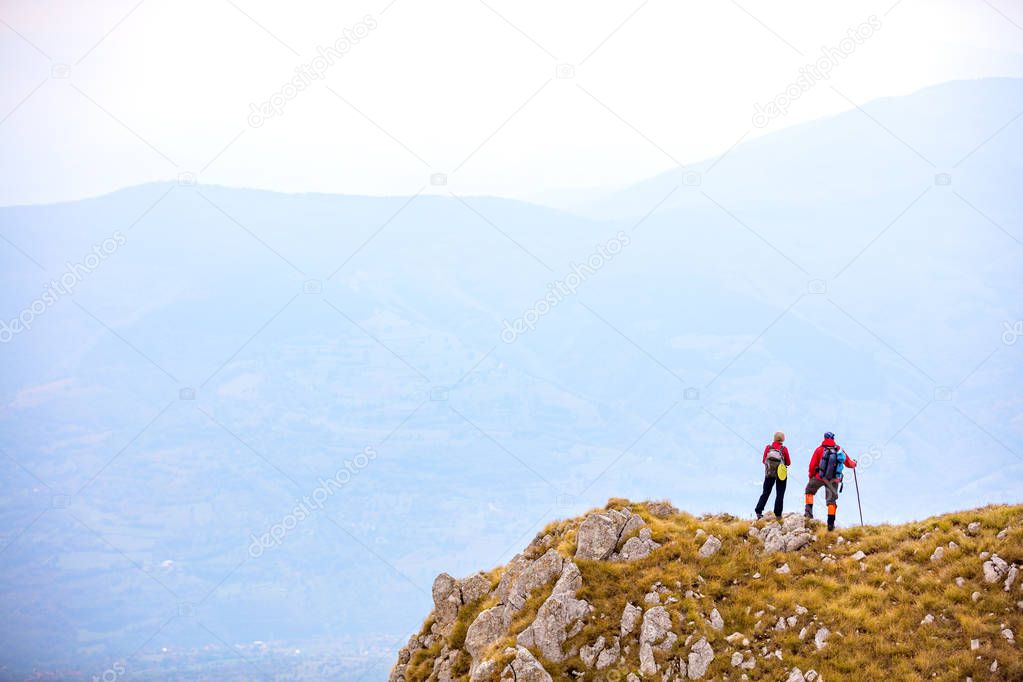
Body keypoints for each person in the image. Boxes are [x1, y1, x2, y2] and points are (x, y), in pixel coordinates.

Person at [804, 431, 857, 531]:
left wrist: (811, 477)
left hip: (819, 477)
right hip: (834, 479)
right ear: (833, 439)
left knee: (809, 491)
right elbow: (849, 463)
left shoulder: (819, 450)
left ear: (824, 438)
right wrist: (855, 463)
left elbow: (812, 466)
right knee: (831, 501)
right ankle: (830, 525)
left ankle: (808, 514)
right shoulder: (839, 450)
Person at [755, 431, 791, 519]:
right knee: (780, 493)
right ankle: (778, 514)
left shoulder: (768, 448)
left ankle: (759, 511)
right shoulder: (784, 449)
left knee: (766, 492)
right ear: (783, 439)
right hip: (781, 474)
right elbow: (789, 463)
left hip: (769, 473)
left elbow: (764, 460)